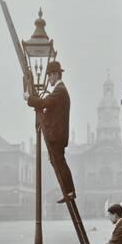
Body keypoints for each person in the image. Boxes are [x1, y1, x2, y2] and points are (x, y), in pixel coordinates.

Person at [23, 60, 75, 203]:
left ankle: (69, 191)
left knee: (59, 162)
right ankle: (68, 191)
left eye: (50, 76)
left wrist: (29, 99)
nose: (49, 79)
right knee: (56, 161)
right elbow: (50, 107)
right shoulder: (60, 91)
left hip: (56, 135)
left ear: (56, 75)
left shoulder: (60, 91)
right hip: (57, 134)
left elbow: (44, 102)